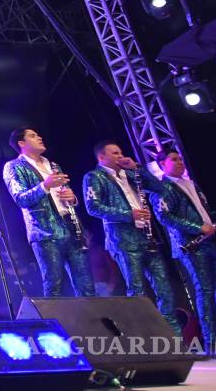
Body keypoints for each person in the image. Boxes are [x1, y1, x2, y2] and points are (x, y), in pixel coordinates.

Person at [152, 149, 216, 354]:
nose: (180, 162)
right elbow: (165, 217)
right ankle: (212, 345)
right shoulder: (162, 188)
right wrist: (197, 228)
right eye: (174, 159)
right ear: (162, 165)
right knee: (205, 293)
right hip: (192, 246)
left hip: (212, 242)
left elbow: (205, 217)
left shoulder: (191, 184)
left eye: (180, 158)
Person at [82, 141, 181, 333]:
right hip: (123, 240)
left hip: (147, 237)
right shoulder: (94, 176)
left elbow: (160, 188)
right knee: (136, 290)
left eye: (120, 152)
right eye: (115, 153)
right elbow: (93, 207)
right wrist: (129, 215)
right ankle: (141, 337)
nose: (120, 156)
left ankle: (172, 336)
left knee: (164, 288)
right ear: (101, 157)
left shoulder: (130, 174)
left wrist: (137, 168)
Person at [2, 127, 96, 297]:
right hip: (45, 232)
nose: (39, 137)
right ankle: (54, 316)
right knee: (54, 284)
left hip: (71, 228)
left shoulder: (53, 165)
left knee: (86, 283)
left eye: (38, 134)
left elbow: (66, 194)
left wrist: (72, 198)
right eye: (33, 136)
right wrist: (45, 185)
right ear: (22, 143)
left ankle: (89, 315)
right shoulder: (14, 166)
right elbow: (20, 199)